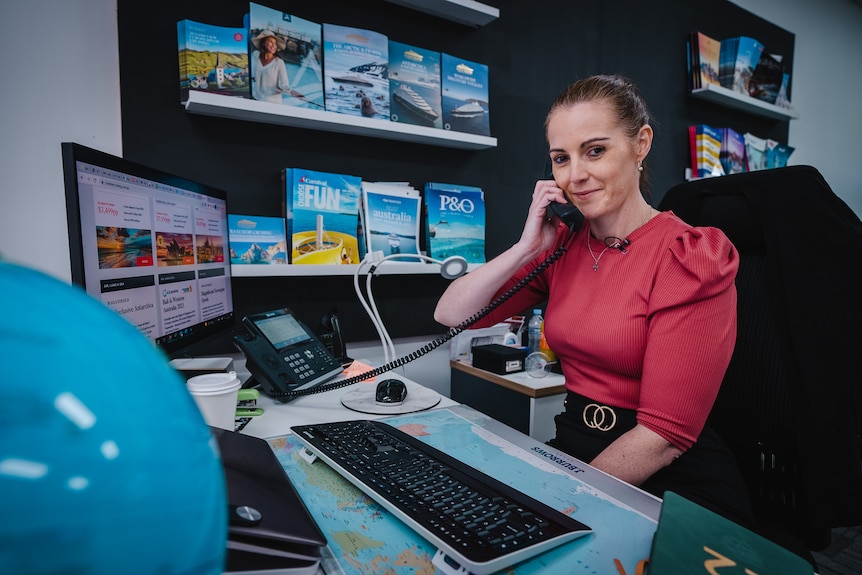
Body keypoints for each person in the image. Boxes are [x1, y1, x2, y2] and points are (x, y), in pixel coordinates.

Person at [434, 74, 753, 525]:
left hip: (668, 479)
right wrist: (526, 247)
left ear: (641, 144)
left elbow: (664, 436)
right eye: (561, 159)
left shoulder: (689, 255)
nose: (575, 175)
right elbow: (451, 314)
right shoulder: (564, 247)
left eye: (595, 151)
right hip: (576, 449)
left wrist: (561, 502)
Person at [251, 30, 292, 103]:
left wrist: (291, 92)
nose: (274, 45)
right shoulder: (255, 56)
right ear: (263, 43)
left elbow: (284, 84)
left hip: (272, 104)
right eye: (270, 42)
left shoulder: (279, 62)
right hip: (255, 101)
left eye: (275, 43)